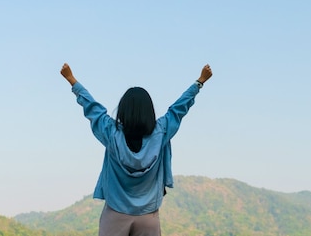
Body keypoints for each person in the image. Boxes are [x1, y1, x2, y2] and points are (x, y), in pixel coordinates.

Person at [60, 63, 213, 236]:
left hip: (115, 213)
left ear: (123, 110)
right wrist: (199, 82)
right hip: (148, 215)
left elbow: (93, 108)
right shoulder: (161, 131)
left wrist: (72, 80)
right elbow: (178, 109)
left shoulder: (111, 133)